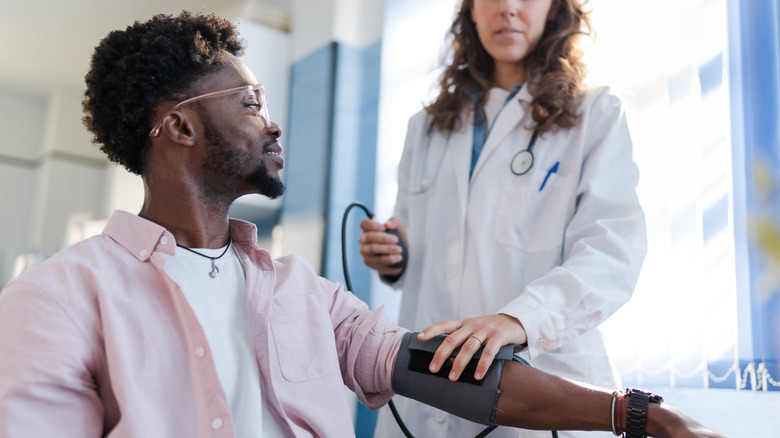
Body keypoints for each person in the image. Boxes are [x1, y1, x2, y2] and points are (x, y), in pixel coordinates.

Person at [0, 10, 722, 438]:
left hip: (545, 358)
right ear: (179, 126)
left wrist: (639, 415)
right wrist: (399, 259)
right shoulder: (58, 297)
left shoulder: (301, 294)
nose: (274, 119)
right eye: (251, 101)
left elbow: (441, 367)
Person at [360, 1, 647, 437]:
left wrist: (521, 319)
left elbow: (612, 252)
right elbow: (417, 237)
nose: (508, 8)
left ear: (554, 10)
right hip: (426, 388)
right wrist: (394, 257)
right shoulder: (425, 127)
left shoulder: (596, 113)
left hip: (538, 383)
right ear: (470, 9)